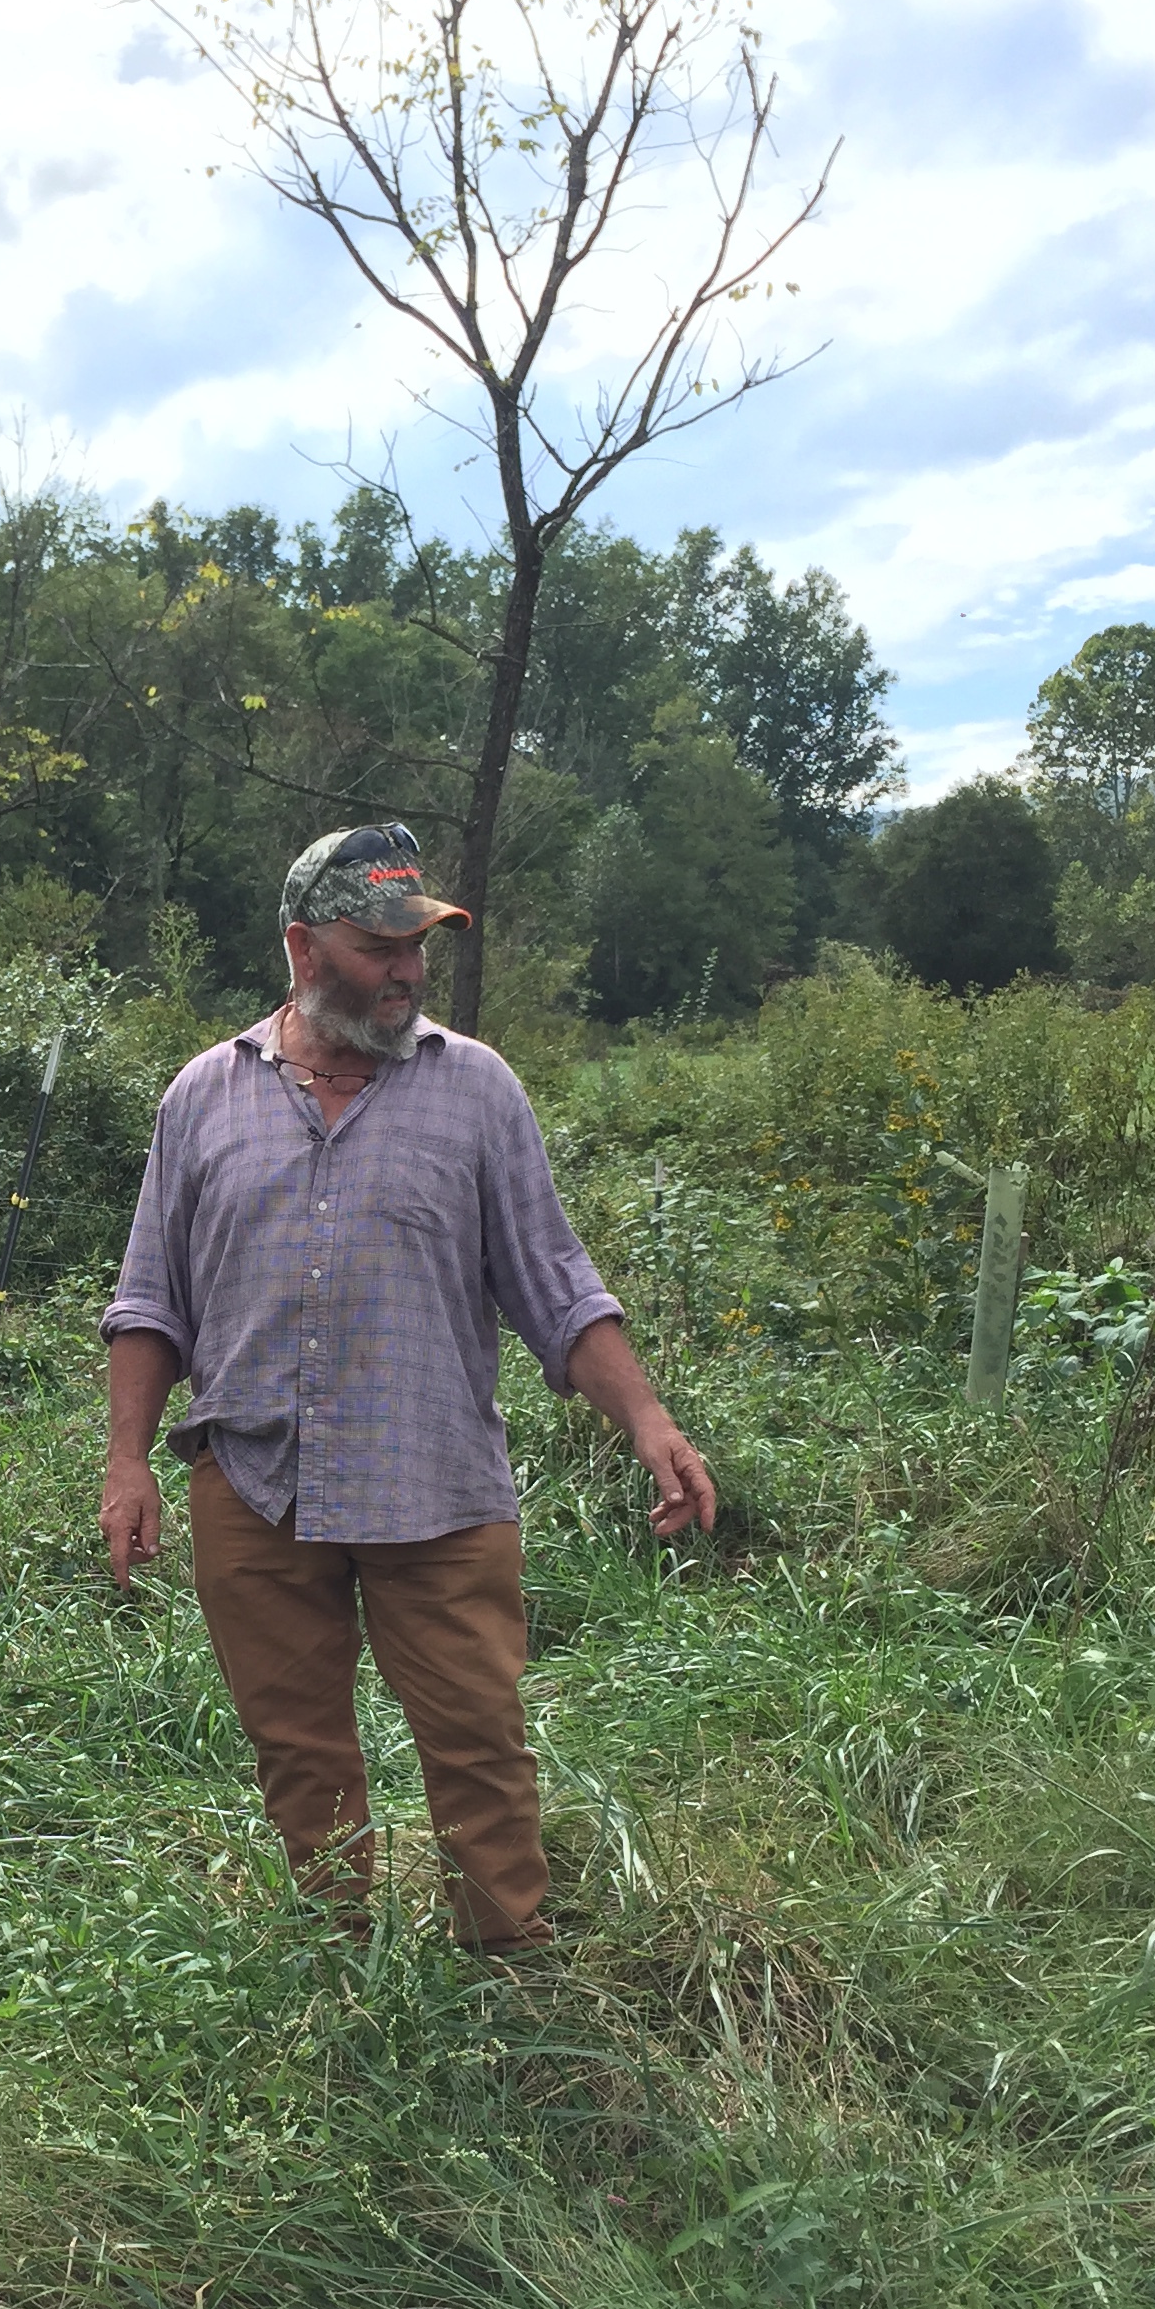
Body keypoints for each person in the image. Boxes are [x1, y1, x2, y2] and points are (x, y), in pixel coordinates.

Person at [98, 823, 714, 1953]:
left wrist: (649, 1419)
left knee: (479, 1735)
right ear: (304, 947)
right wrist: (128, 1462)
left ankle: (506, 1961)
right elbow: (151, 1301)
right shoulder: (202, 1097)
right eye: (380, 944)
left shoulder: (476, 1091)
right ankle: (339, 1960)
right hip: (252, 1480)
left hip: (433, 1481)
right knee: (298, 1744)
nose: (407, 970)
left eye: (417, 945)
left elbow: (556, 1284)